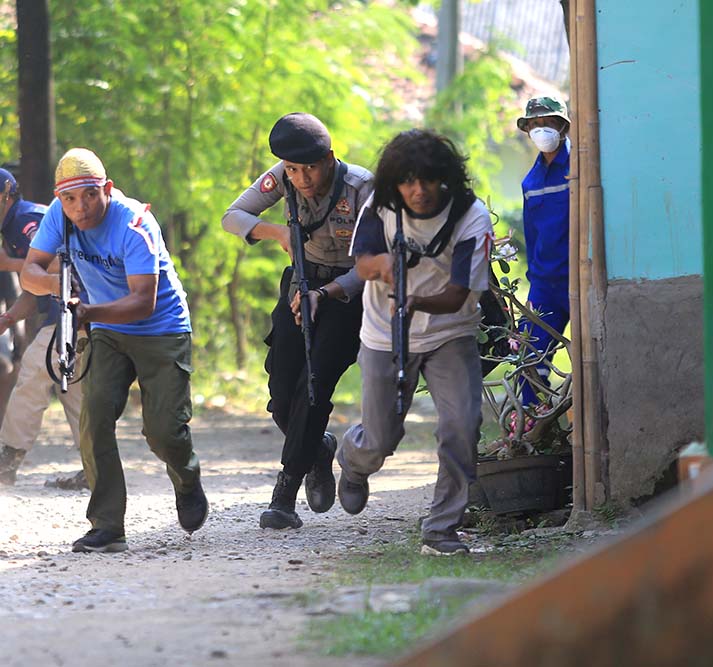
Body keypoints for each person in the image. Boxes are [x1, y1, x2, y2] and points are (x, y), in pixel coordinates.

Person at [21, 148, 207, 553]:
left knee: (164, 433)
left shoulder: (135, 223)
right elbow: (29, 271)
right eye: (69, 198)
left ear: (105, 188)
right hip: (105, 328)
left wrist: (86, 310)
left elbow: (144, 301)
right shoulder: (59, 216)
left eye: (88, 195)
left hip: (161, 328)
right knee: (94, 419)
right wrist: (62, 289)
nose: (80, 207)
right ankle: (107, 525)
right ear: (59, 197)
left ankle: (187, 477)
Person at [336, 129, 493, 556]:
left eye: (427, 180)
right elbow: (362, 262)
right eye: (408, 181)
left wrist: (415, 299)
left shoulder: (471, 217)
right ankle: (352, 462)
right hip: (384, 333)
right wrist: (382, 264)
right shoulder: (382, 206)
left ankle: (442, 528)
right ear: (395, 183)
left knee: (462, 425)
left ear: (445, 179)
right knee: (381, 438)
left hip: (450, 331)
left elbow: (459, 294)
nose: (418, 191)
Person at [222, 113, 372, 530]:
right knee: (281, 389)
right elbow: (232, 216)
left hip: (347, 294)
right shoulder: (282, 176)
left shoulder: (361, 187)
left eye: (310, 168)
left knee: (315, 383)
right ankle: (318, 450)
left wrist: (327, 294)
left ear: (329, 158)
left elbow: (378, 262)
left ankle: (284, 495)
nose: (302, 178)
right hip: (300, 284)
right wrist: (277, 233)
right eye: (293, 169)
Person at [0, 167, 87, 489]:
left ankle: (7, 460)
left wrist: (8, 263)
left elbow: (57, 265)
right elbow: (36, 288)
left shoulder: (25, 221)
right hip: (69, 313)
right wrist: (9, 319)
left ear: (7, 195)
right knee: (76, 393)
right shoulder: (12, 227)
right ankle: (96, 467)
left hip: (77, 311)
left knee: (33, 372)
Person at [515, 96, 572, 409]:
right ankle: (535, 429)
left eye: (547, 123)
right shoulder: (531, 182)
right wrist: (535, 284)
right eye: (535, 125)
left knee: (597, 360)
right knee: (529, 359)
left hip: (579, 279)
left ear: (562, 126)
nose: (541, 130)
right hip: (544, 286)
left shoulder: (580, 168)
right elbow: (531, 234)